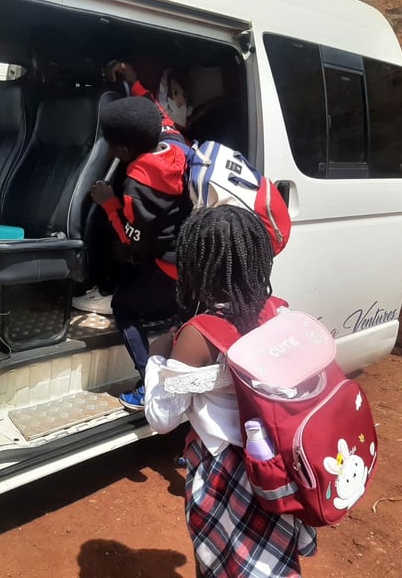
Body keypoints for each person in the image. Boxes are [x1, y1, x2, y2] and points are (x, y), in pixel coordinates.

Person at [143, 205, 317, 577]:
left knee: (224, 563)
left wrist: (157, 358)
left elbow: (162, 418)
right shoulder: (279, 313)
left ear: (194, 266)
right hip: (278, 467)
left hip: (227, 472)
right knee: (270, 562)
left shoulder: (198, 335)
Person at [84, 94, 192, 410]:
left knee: (123, 305)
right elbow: (158, 111)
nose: (110, 151)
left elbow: (134, 241)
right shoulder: (174, 141)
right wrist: (133, 81)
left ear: (126, 151)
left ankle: (148, 383)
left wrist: (109, 203)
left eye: (111, 146)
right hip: (194, 259)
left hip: (171, 267)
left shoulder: (138, 187)